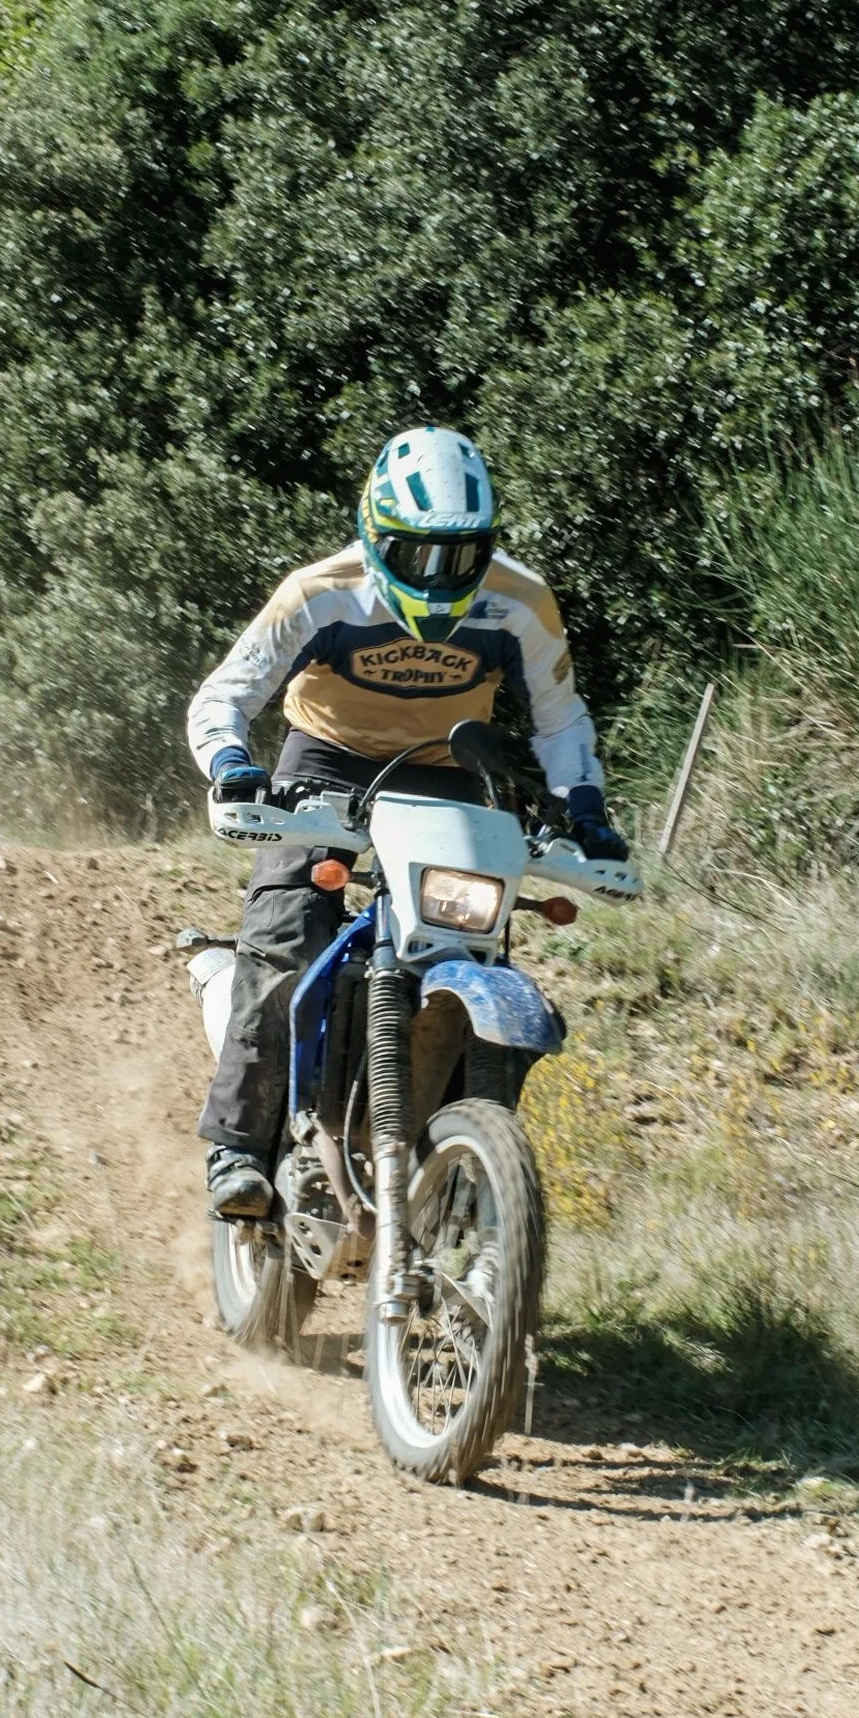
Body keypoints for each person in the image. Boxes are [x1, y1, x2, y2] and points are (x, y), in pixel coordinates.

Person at [187, 424, 629, 1219]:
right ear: (373, 533)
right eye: (415, 552)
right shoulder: (320, 593)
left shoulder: (521, 602)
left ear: (488, 546)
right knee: (288, 932)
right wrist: (232, 764)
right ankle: (240, 1146)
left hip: (449, 769)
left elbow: (560, 720)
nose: (435, 574)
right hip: (326, 762)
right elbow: (227, 694)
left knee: (476, 941)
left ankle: (459, 1163)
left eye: (458, 556)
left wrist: (586, 808)